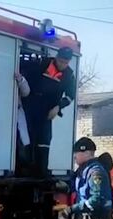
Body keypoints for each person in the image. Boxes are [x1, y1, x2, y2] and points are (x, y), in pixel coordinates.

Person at [21, 47, 76, 177]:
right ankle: (26, 168)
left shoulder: (69, 74)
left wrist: (58, 107)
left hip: (48, 111)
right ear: (56, 57)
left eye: (66, 62)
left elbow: (70, 95)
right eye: (61, 61)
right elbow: (27, 75)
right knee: (27, 137)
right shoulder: (43, 64)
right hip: (31, 106)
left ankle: (42, 171)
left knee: (45, 140)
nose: (63, 65)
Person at [15, 71, 31, 175]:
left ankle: (22, 169)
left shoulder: (17, 76)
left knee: (21, 145)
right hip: (1, 119)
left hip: (16, 116)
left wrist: (21, 80)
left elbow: (26, 92)